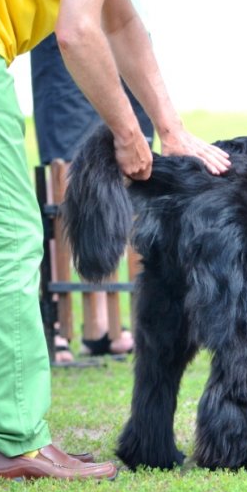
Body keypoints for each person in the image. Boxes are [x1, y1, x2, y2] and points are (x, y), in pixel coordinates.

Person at [0, 0, 229, 481]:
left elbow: (121, 23)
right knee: (6, 236)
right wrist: (128, 133)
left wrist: (170, 128)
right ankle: (18, 440)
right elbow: (75, 33)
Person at [31, 32, 151, 363]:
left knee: (125, 166)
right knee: (65, 174)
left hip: (120, 33)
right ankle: (60, 325)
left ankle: (103, 325)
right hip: (59, 33)